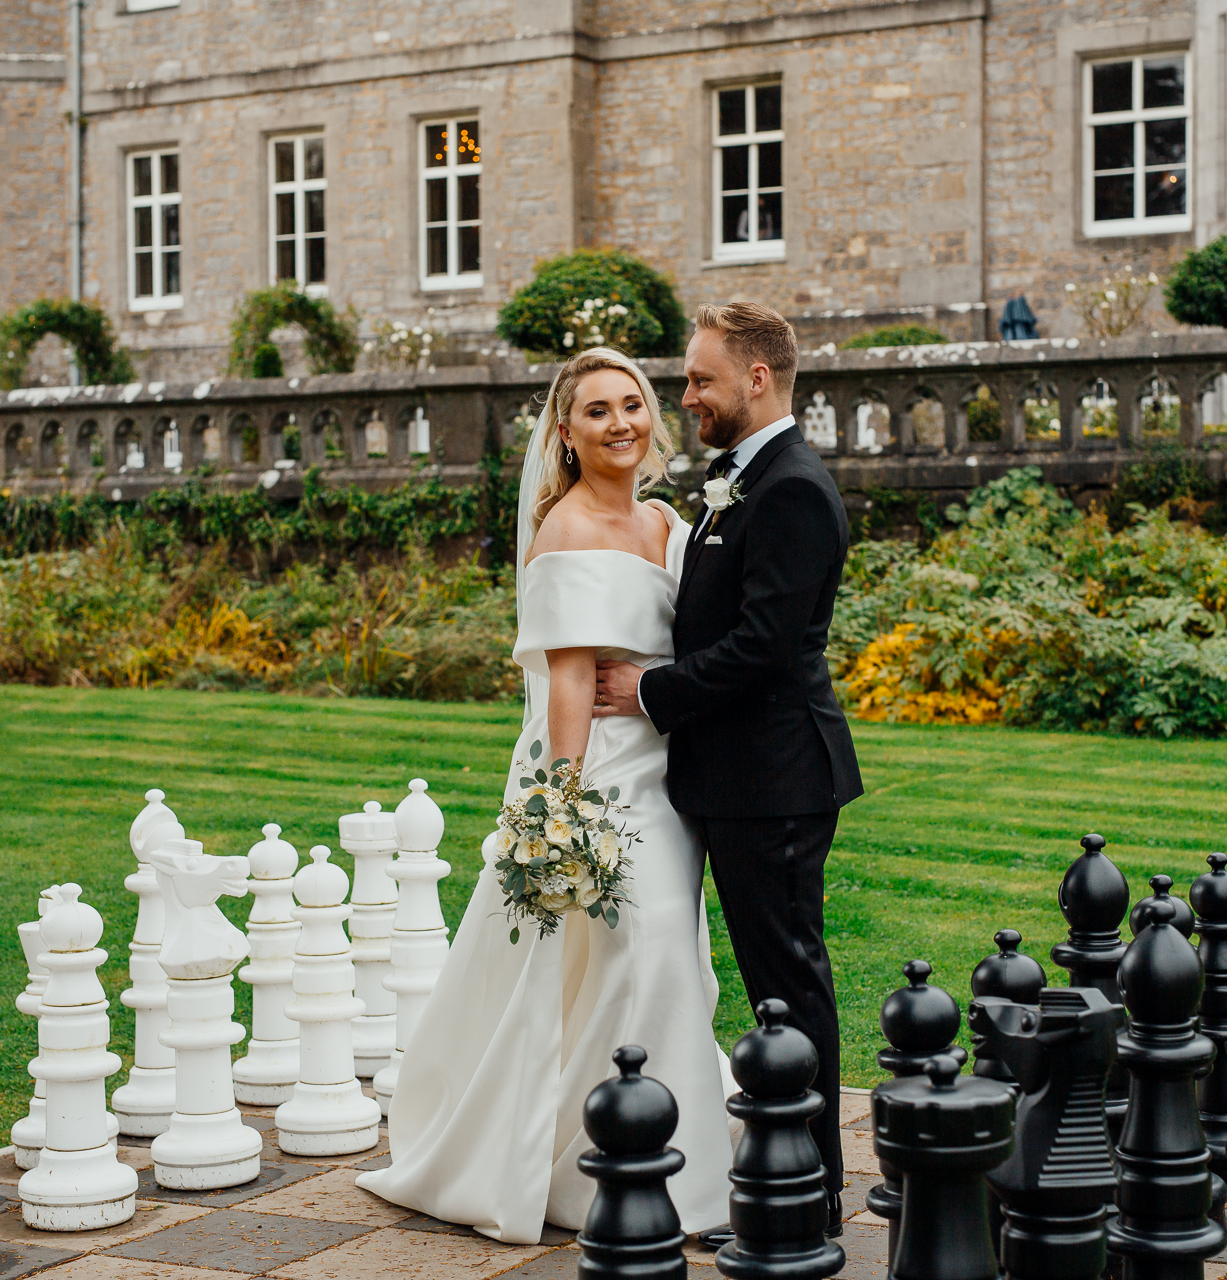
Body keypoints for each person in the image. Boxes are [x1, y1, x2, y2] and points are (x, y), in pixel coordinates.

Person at [356, 346, 735, 1243]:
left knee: (655, 954)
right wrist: (562, 808)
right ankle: (603, 1172)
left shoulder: (668, 524)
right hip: (601, 777)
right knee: (640, 954)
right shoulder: (563, 531)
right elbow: (568, 684)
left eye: (634, 405)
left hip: (668, 772)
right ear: (566, 433)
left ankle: (632, 1149)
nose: (621, 424)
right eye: (598, 410)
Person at [594, 301, 863, 1244]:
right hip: (729, 778)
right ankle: (770, 1175)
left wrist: (651, 692)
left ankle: (812, 1190)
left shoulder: (790, 487)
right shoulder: (735, 481)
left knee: (787, 987)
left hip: (775, 782)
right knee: (765, 983)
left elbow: (765, 648)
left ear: (757, 379)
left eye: (702, 379)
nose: (687, 395)